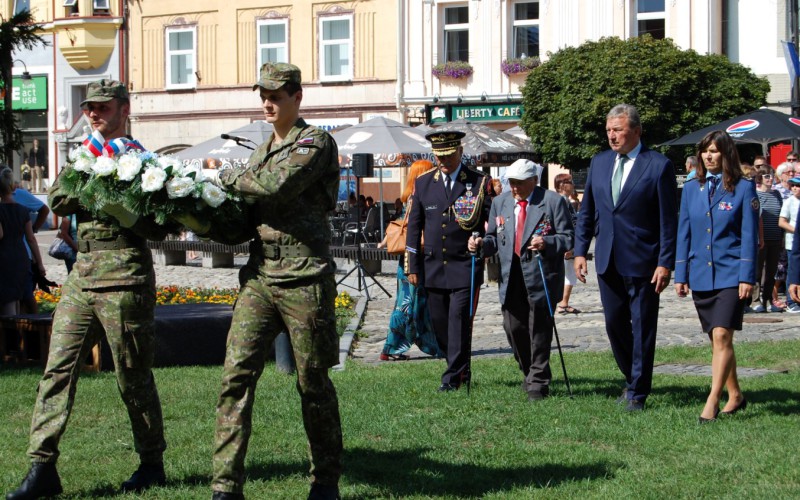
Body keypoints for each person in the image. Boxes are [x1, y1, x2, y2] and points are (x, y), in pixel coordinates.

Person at [6, 79, 170, 500]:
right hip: (83, 276)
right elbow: (59, 199)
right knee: (56, 369)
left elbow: (161, 224)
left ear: (123, 108)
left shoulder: (144, 161)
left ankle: (152, 462)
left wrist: (127, 209)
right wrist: (90, 165)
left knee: (132, 376)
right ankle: (42, 467)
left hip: (125, 276)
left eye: (103, 107)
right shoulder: (86, 154)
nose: (94, 113)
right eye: (89, 107)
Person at [202, 63, 343, 500]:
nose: (268, 102)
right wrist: (201, 213)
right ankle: (225, 486)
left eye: (277, 95)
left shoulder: (315, 142)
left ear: (297, 97)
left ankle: (325, 480)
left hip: (304, 277)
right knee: (235, 377)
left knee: (312, 382)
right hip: (261, 276)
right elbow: (247, 215)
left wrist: (222, 178)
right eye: (263, 94)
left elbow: (275, 187)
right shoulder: (260, 150)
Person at [573, 104, 678, 412]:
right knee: (614, 322)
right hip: (607, 257)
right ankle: (632, 376)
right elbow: (587, 212)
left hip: (644, 260)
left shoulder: (657, 165)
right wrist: (580, 250)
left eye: (618, 130)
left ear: (636, 131)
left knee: (643, 326)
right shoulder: (600, 163)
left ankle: (638, 391)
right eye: (608, 131)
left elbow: (667, 220)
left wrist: (665, 261)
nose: (612, 136)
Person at [469, 160, 573, 400]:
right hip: (510, 276)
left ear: (534, 181)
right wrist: (481, 245)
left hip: (541, 276)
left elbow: (568, 238)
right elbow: (493, 239)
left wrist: (547, 243)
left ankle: (538, 381)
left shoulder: (552, 201)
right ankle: (530, 371)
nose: (514, 188)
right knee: (513, 328)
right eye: (511, 183)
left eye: (519, 184)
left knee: (539, 329)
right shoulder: (500, 202)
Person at [674, 130, 758, 422]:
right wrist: (680, 273)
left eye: (714, 151)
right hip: (700, 272)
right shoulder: (690, 188)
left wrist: (747, 276)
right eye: (704, 151)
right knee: (717, 339)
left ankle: (712, 400)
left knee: (723, 334)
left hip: (731, 272)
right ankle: (735, 394)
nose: (708, 156)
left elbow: (749, 236)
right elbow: (684, 231)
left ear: (726, 154)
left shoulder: (744, 188)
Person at [405, 130, 491, 392]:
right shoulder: (423, 183)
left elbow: (489, 223)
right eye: (439, 156)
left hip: (465, 265)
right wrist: (413, 265)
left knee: (459, 321)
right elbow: (414, 227)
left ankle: (451, 378)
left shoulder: (477, 182)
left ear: (460, 152)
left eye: (449, 155)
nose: (443, 161)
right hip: (433, 265)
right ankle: (459, 365)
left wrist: (481, 240)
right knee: (441, 325)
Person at [377, 160, 443, 361]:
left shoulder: (410, 196)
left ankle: (433, 345)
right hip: (414, 259)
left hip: (410, 258)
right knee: (408, 303)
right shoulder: (418, 196)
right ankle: (391, 347)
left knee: (417, 302)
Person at [1, 166, 46, 316]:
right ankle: (26, 332)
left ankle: (11, 337)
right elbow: (31, 239)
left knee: (7, 302)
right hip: (21, 256)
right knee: (20, 297)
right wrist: (39, 264)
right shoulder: (22, 209)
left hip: (4, 257)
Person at [13, 181, 53, 312]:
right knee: (24, 295)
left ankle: (32, 327)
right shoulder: (18, 202)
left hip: (21, 253)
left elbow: (44, 209)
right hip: (22, 253)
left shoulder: (19, 195)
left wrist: (35, 227)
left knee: (25, 296)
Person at [752, 165, 783, 312]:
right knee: (758, 271)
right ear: (760, 178)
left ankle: (768, 300)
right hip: (761, 240)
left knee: (771, 271)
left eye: (771, 176)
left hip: (776, 238)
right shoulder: (756, 195)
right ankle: (756, 300)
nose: (770, 178)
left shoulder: (776, 194)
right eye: (766, 176)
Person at [553, 173, 580, 314]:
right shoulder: (561, 201)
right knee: (568, 273)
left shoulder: (565, 201)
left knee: (568, 273)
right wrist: (568, 246)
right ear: (562, 185)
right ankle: (562, 303)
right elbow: (563, 225)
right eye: (570, 182)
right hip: (565, 245)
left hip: (567, 244)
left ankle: (563, 302)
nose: (573, 185)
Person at [778, 176, 800, 313]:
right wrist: (798, 231)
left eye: (798, 186)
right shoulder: (789, 202)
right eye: (793, 186)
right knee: (793, 272)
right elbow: (782, 222)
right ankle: (791, 301)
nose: (795, 188)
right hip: (793, 243)